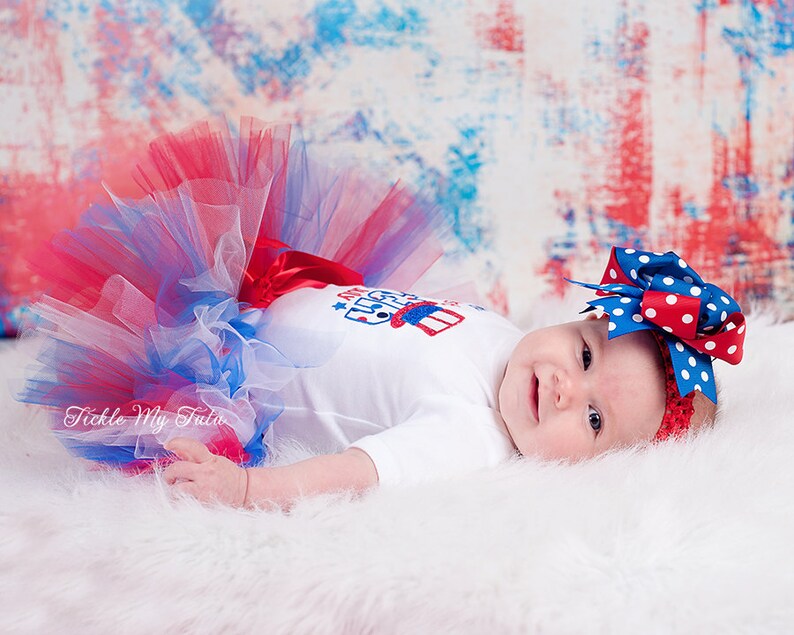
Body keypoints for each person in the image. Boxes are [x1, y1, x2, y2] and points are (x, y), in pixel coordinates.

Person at [15, 119, 746, 510]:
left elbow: (350, 472)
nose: (564, 388)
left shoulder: (471, 435)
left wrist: (248, 490)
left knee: (116, 344)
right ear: (581, 319)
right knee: (153, 250)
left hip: (228, 372)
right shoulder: (499, 332)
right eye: (585, 358)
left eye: (592, 421)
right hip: (261, 291)